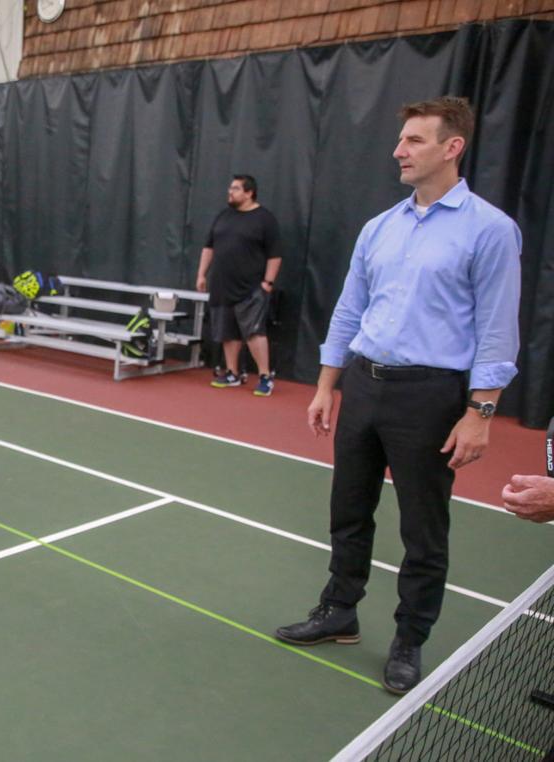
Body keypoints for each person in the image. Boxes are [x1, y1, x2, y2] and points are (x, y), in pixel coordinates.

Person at [275, 97, 521, 696]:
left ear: (451, 147)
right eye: (401, 140)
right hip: (364, 384)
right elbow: (350, 309)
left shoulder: (490, 230)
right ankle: (339, 610)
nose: (399, 151)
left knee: (423, 528)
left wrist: (479, 413)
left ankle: (410, 638)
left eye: (413, 140)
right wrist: (328, 384)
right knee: (349, 509)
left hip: (431, 398)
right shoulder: (377, 228)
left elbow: (496, 328)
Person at [195, 174, 281, 396]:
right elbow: (208, 247)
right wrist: (201, 274)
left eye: (235, 189)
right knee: (227, 333)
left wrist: (267, 283)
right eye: (230, 188)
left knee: (254, 333)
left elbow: (275, 255)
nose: (230, 192)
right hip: (221, 286)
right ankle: (232, 373)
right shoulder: (223, 216)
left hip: (251, 288)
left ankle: (265, 377)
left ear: (249, 192)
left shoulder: (264, 219)